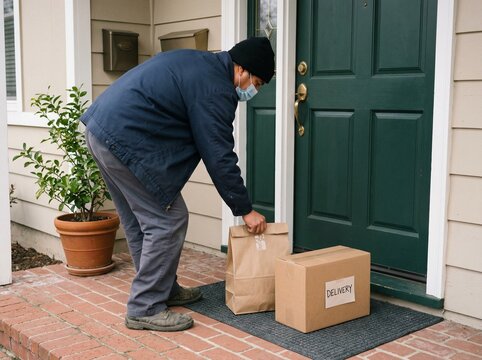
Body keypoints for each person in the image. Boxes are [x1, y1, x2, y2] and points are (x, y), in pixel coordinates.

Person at [81, 37, 275, 332]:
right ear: (242, 70)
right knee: (168, 220)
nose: (254, 91)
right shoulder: (215, 89)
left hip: (102, 130)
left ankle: (164, 289)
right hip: (124, 138)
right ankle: (145, 306)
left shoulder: (202, 65)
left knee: (140, 220)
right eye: (257, 83)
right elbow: (219, 155)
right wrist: (245, 210)